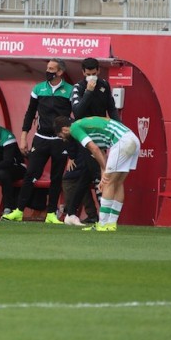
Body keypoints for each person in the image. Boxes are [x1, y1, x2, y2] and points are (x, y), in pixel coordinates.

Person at [2, 59, 73, 224]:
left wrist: (72, 143)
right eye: (47, 68)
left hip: (60, 141)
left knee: (56, 178)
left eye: (51, 68)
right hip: (41, 139)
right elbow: (30, 113)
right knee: (30, 174)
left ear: (60, 72)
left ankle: (51, 214)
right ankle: (19, 211)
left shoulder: (70, 90)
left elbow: (75, 117)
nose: (48, 71)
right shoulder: (38, 89)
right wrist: (23, 137)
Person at [54, 116, 140, 232]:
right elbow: (101, 153)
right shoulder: (86, 126)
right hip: (133, 139)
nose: (63, 140)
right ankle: (111, 224)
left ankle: (102, 224)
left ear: (64, 129)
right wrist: (103, 174)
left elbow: (93, 148)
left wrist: (105, 173)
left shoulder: (74, 128)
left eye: (61, 136)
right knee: (118, 183)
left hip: (121, 141)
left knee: (109, 182)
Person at [63, 57, 121, 226]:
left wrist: (118, 127)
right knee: (98, 172)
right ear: (83, 73)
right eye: (88, 74)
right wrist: (88, 91)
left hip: (101, 134)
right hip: (85, 136)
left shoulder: (104, 85)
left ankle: (71, 213)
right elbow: (78, 112)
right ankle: (105, 215)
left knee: (86, 175)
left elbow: (111, 107)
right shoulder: (78, 88)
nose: (91, 77)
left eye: (94, 74)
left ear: (98, 71)